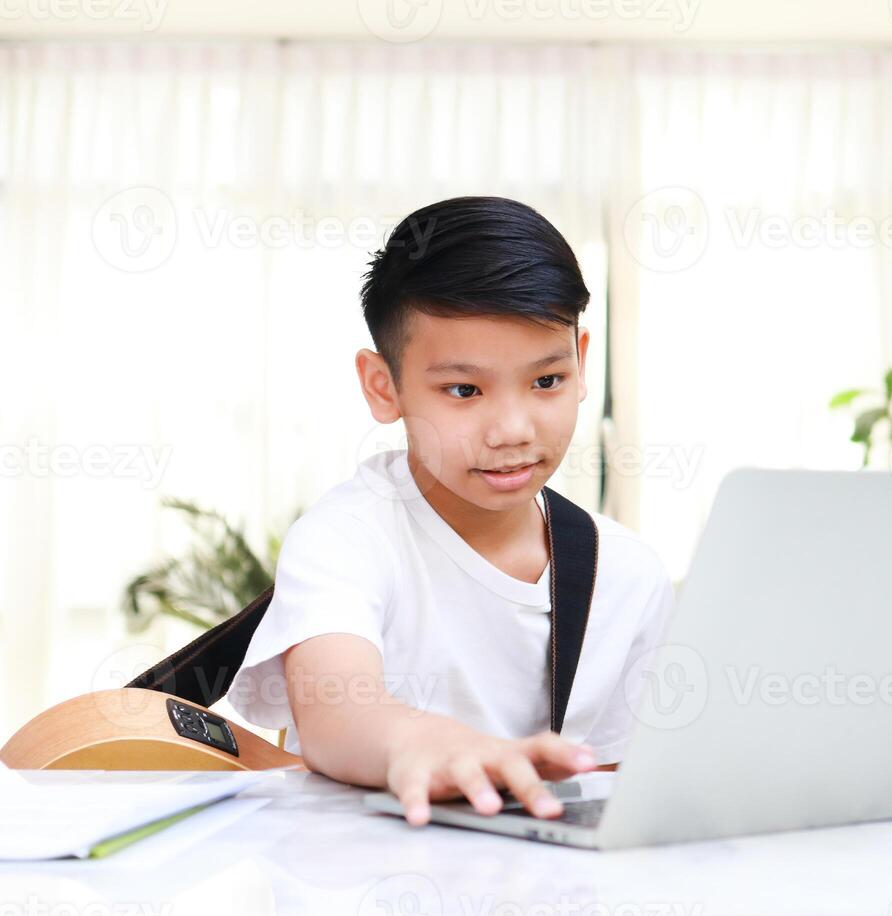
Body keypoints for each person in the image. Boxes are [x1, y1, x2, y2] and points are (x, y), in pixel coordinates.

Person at [227, 196, 674, 827]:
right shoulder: (346, 540)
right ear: (384, 387)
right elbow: (335, 714)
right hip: (363, 904)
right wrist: (424, 744)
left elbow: (615, 789)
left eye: (546, 381)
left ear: (581, 360)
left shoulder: (627, 573)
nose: (513, 429)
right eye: (464, 390)